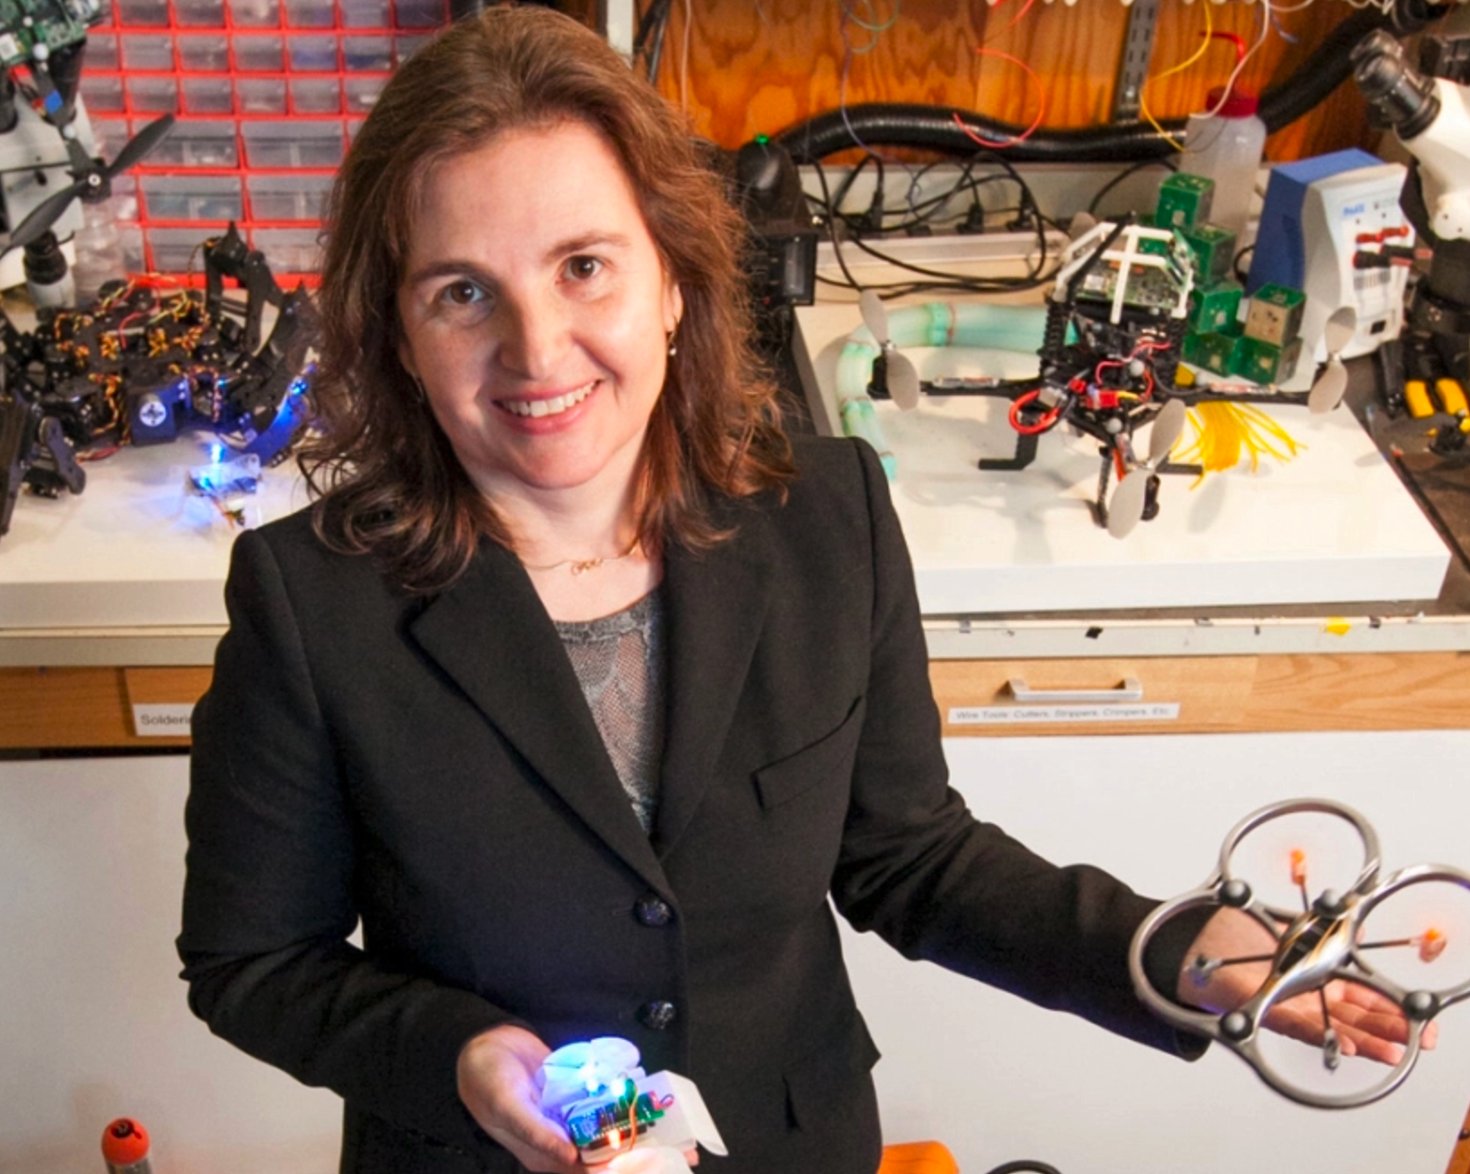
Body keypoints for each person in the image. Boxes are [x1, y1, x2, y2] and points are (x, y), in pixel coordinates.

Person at [177, 9, 1419, 1174]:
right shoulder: (310, 602)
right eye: (462, 292)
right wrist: (459, 1056)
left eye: (585, 267)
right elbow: (253, 961)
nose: (538, 348)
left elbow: (912, 857)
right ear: (400, 335)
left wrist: (1174, 950)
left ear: (673, 279)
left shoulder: (828, 516)